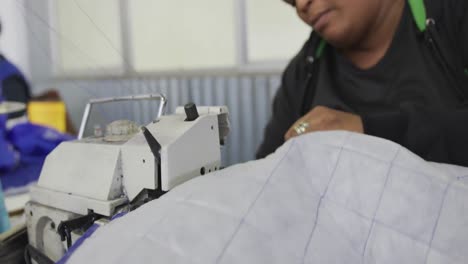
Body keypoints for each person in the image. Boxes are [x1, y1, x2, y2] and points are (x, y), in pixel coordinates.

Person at [257, 0, 468, 166]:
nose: (302, 4)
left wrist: (369, 133)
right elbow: (266, 178)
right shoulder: (303, 74)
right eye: (291, 1)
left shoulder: (453, 15)